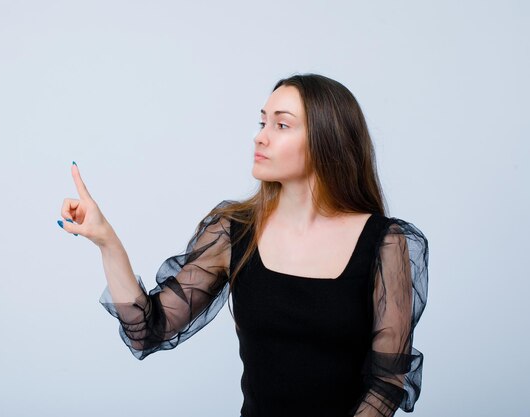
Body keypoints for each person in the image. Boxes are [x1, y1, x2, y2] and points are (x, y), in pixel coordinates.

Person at [57, 73, 429, 417]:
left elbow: (386, 383)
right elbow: (148, 329)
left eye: (281, 125)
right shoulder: (233, 232)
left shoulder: (386, 244)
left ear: (326, 139)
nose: (260, 136)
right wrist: (105, 239)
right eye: (262, 122)